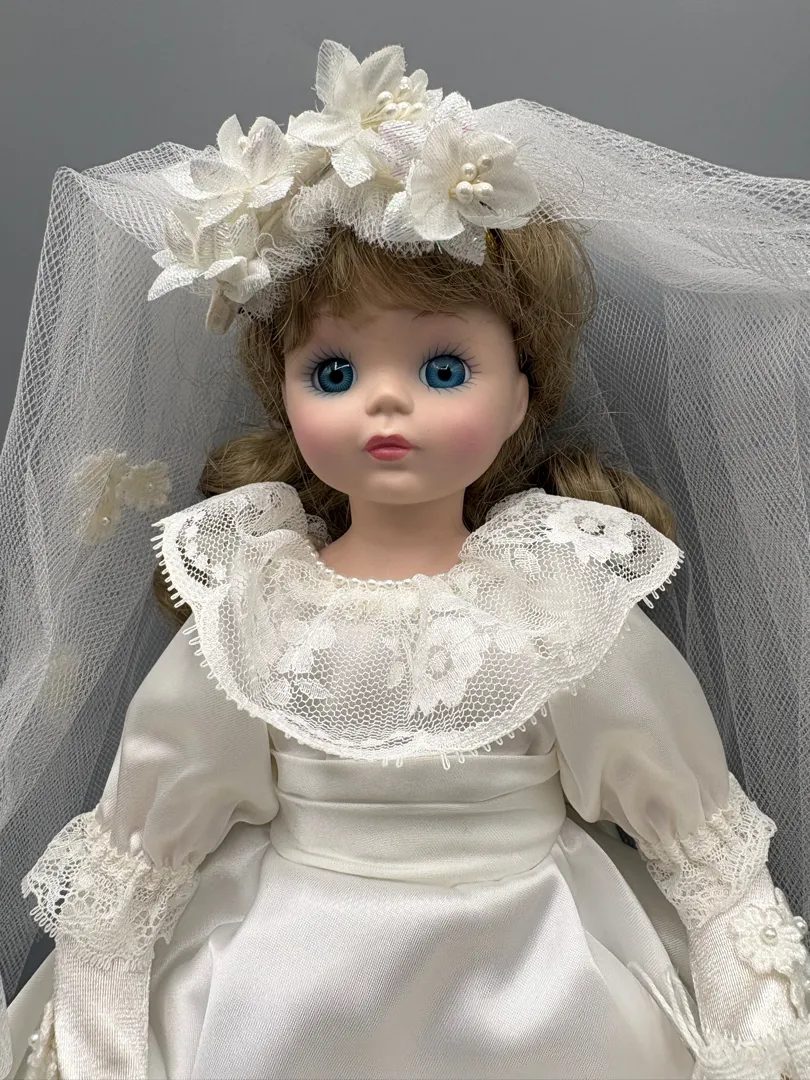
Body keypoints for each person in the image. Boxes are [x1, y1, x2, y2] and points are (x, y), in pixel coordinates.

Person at [3, 37, 810, 1080]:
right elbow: (140, 852)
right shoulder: (257, 606)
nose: (386, 402)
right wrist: (100, 1043)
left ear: (520, 396)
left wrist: (757, 1034)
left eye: (443, 368)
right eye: (335, 371)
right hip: (286, 988)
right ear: (284, 396)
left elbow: (700, 846)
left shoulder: (556, 602)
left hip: (540, 987)